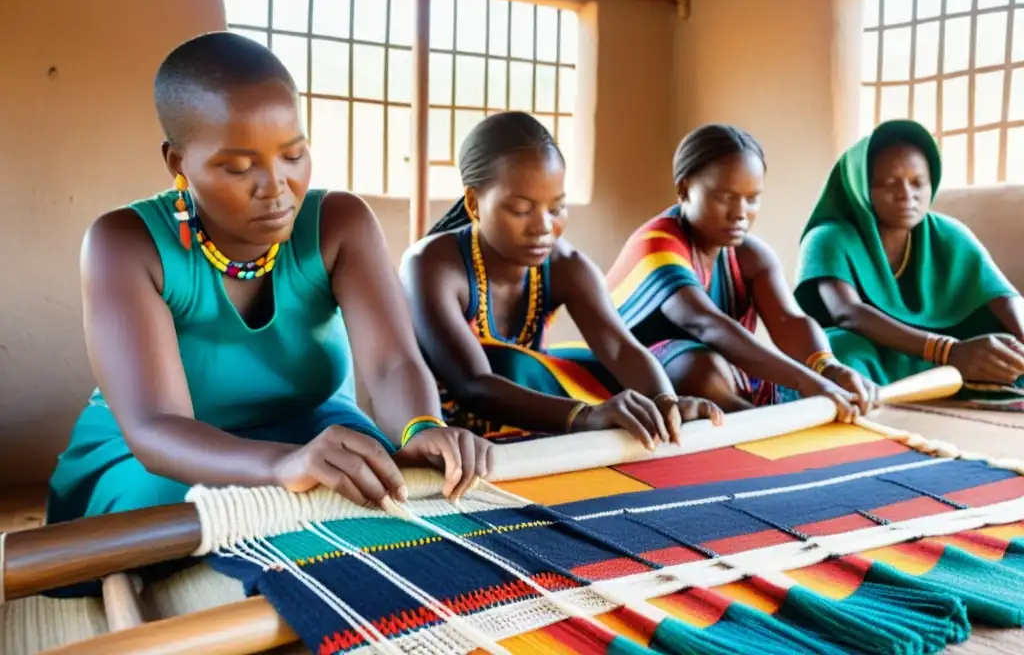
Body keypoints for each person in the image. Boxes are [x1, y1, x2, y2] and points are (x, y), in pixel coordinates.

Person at [47, 32, 492, 542]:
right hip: (166, 457)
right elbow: (155, 426)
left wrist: (421, 429)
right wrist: (286, 466)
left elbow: (393, 362)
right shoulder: (124, 244)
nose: (276, 185)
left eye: (293, 155)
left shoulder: (340, 224)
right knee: (198, 517)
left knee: (390, 488)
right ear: (177, 163)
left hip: (312, 429)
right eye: (238, 167)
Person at [399, 112, 723, 449]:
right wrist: (586, 416)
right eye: (521, 209)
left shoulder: (565, 264)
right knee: (512, 365)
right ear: (473, 203)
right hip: (451, 424)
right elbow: (474, 384)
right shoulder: (431, 266)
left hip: (524, 405)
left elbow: (619, 346)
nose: (543, 227)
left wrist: (664, 399)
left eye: (556, 208)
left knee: (628, 371)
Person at [606, 123, 877, 417]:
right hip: (638, 375)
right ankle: (758, 423)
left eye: (752, 198)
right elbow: (705, 323)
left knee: (818, 370)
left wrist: (827, 368)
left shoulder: (750, 255)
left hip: (719, 368)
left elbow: (788, 320)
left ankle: (753, 418)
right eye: (725, 197)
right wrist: (808, 382)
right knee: (704, 369)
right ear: (684, 190)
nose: (740, 213)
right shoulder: (657, 245)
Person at [794, 119, 1024, 409]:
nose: (906, 194)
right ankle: (869, 406)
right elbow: (848, 313)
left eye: (918, 183)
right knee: (842, 348)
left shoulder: (950, 234)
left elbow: (1003, 296)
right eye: (889, 183)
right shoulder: (828, 237)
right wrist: (946, 351)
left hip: (948, 359)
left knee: (1005, 346)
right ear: (861, 187)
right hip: (878, 355)